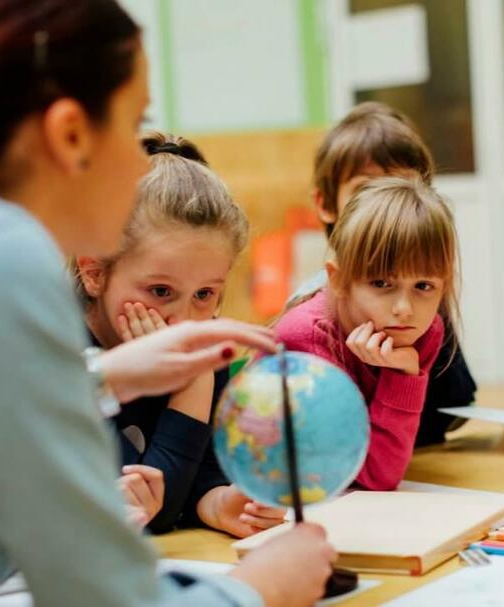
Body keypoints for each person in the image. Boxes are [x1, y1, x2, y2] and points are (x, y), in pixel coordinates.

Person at [0, 1, 332, 605]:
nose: (140, 162)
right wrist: (260, 589)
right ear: (70, 132)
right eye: (133, 125)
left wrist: (105, 377)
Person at [74, 133, 285, 536]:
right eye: (160, 292)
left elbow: (192, 481)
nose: (184, 322)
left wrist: (217, 503)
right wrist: (195, 382)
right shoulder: (57, 351)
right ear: (95, 272)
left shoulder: (204, 337)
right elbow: (146, 512)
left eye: (205, 294)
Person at [296, 101, 476, 446]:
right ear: (325, 203)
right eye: (365, 188)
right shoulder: (311, 312)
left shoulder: (419, 291)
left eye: (398, 186)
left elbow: (453, 405)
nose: (385, 203)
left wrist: (408, 365)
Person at [276, 177, 460, 490]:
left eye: (424, 286)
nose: (404, 309)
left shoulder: (424, 332)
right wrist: (403, 377)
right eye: (381, 283)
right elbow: (377, 474)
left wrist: (404, 369)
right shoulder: (306, 339)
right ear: (338, 278)